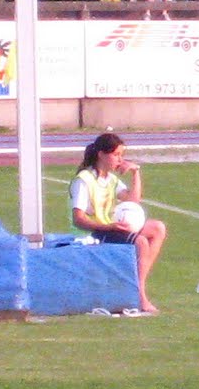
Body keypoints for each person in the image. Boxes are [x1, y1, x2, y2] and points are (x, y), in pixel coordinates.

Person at [68, 132, 167, 316]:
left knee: (157, 228)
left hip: (111, 228)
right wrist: (110, 227)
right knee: (141, 242)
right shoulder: (84, 180)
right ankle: (140, 295)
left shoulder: (111, 180)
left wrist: (135, 172)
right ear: (101, 155)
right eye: (116, 155)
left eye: (121, 155)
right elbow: (78, 219)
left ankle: (137, 286)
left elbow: (134, 200)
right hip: (95, 233)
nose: (120, 160)